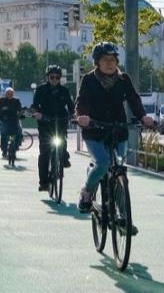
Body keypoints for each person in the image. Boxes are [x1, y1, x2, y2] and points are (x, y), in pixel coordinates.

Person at [74, 42, 155, 213]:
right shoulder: (89, 79)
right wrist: (82, 116)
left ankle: (123, 215)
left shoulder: (123, 79)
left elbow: (133, 99)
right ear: (97, 62)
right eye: (105, 60)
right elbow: (82, 101)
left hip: (118, 129)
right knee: (103, 163)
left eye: (113, 59)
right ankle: (87, 192)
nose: (110, 63)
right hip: (94, 129)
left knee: (118, 166)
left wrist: (143, 116)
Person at [31, 65, 75, 191]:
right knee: (44, 153)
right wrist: (36, 113)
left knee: (62, 141)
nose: (54, 80)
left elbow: (70, 106)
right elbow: (35, 105)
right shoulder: (41, 89)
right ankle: (43, 183)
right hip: (45, 123)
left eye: (57, 77)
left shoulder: (64, 90)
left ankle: (64, 157)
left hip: (61, 121)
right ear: (48, 77)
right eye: (52, 77)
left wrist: (73, 115)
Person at [0, 88, 23, 161]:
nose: (10, 95)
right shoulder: (1, 100)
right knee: (4, 134)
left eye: (11, 94)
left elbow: (20, 110)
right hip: (4, 120)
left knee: (19, 132)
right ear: (5, 94)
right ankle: (4, 151)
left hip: (14, 120)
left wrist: (21, 114)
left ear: (13, 94)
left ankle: (16, 148)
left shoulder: (16, 101)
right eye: (8, 93)